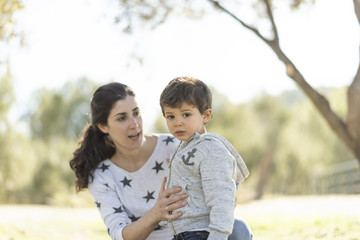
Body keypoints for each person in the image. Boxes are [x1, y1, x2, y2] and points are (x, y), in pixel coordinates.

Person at [69, 82, 252, 240]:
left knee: (238, 229)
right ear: (103, 126)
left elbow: (219, 172)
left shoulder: (176, 145)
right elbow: (120, 234)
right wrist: (156, 214)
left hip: (195, 234)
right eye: (122, 118)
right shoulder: (102, 175)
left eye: (136, 113)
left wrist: (226, 192)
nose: (135, 124)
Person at [159, 76, 250, 240]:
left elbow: (222, 197)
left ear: (205, 115)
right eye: (170, 116)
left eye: (186, 114)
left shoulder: (211, 149)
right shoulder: (183, 147)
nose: (177, 122)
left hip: (201, 233)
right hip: (182, 233)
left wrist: (218, 235)